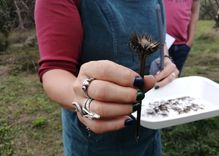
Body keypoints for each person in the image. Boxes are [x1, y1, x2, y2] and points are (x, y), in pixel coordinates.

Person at [35, 0, 179, 156]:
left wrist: (165, 58)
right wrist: (84, 97)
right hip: (96, 143)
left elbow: (159, 37)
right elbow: (55, 70)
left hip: (149, 134)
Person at [164, 0, 200, 73]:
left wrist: (189, 42)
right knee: (156, 78)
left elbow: (194, 13)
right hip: (158, 43)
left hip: (181, 46)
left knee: (174, 78)